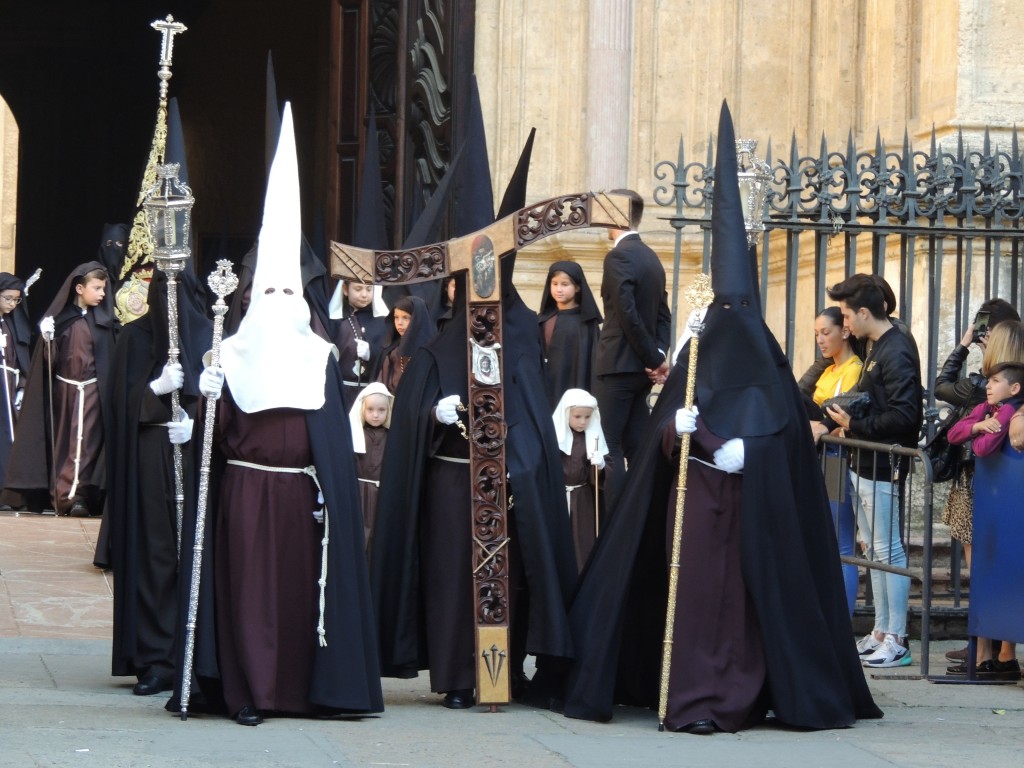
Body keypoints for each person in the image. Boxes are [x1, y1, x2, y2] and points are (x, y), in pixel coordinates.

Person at [558, 102, 881, 733]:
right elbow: (659, 445)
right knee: (696, 602)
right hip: (694, 512)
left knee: (741, 607)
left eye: (739, 304)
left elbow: (787, 442)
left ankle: (743, 690)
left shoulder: (765, 360)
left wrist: (749, 454)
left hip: (753, 519)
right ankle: (685, 691)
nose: (730, 314)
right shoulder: (698, 354)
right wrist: (673, 440)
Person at [195, 104, 382, 725]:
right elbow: (213, 444)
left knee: (302, 599)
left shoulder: (319, 355)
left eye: (288, 294)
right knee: (248, 596)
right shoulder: (228, 353)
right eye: (268, 294)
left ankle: (298, 691)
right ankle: (247, 692)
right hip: (246, 494)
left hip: (302, 501)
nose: (278, 304)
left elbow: (328, 437)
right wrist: (201, 399)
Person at [370, 268, 577, 710]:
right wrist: (431, 413)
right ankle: (458, 677)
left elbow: (535, 420)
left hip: (508, 486)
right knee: (453, 580)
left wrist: (523, 463)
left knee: (511, 580)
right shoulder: (432, 354)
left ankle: (505, 671)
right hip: (451, 483)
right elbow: (408, 422)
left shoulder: (520, 351)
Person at [100, 268, 211, 697]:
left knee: (197, 552)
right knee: (155, 552)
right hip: (150, 452)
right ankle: (156, 657)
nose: (170, 299)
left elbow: (232, 400)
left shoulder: (210, 333)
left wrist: (198, 419)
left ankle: (197, 651)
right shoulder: (134, 338)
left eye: (178, 288)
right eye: (162, 289)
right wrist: (153, 391)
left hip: (195, 453)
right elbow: (116, 405)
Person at [824, 273, 923, 668]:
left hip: (883, 461)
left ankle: (896, 637)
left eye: (847, 314)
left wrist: (853, 425)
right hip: (866, 460)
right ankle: (882, 630)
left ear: (865, 312)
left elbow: (905, 415)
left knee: (887, 550)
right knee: (874, 549)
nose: (844, 323)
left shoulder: (895, 348)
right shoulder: (879, 343)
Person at [932, 298, 1019, 664]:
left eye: (986, 331)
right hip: (989, 481)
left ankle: (986, 650)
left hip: (980, 481)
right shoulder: (998, 386)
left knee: (983, 565)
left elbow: (941, 385)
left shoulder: (990, 385)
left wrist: (965, 343)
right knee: (996, 564)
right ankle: (999, 651)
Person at [5, 262, 116, 516]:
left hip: (93, 392)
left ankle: (80, 496)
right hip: (64, 391)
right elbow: (49, 362)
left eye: (104, 289)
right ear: (79, 288)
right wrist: (47, 341)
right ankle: (60, 494)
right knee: (64, 442)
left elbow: (109, 361)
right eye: (97, 288)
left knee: (88, 444)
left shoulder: (106, 324)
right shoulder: (62, 321)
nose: (102, 294)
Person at [593, 189, 671, 506]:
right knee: (636, 444)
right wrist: (659, 356)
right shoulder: (650, 257)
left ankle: (615, 528)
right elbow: (663, 314)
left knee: (608, 445)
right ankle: (643, 518)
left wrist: (653, 358)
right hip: (640, 369)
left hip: (618, 367)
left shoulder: (618, 256)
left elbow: (627, 315)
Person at [806, 306, 863, 616]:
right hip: (823, 456)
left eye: (825, 332)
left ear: (844, 331)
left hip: (838, 459)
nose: (820, 339)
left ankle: (843, 616)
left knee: (842, 542)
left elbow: (843, 418)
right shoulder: (827, 370)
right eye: (816, 334)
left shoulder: (853, 368)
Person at [552, 389, 607, 572]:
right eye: (577, 416)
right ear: (566, 414)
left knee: (582, 541)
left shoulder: (591, 438)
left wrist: (599, 466)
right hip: (557, 496)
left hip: (582, 498)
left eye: (587, 417)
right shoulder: (554, 438)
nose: (583, 422)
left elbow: (602, 479)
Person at [538, 262, 602, 410]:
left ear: (577, 287)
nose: (558, 289)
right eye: (554, 284)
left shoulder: (586, 323)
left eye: (565, 284)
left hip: (575, 385)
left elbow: (590, 363)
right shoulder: (543, 319)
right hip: (547, 386)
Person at [329, 279, 389, 411]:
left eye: (369, 289)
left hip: (371, 396)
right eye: (358, 289)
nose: (364, 295)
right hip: (341, 392)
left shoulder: (383, 322)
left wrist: (371, 353)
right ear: (345, 289)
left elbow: (388, 356)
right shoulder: (335, 322)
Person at [348, 381, 392, 557]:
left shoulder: (391, 436)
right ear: (362, 409)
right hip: (359, 493)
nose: (375, 415)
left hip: (381, 494)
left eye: (381, 410)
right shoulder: (354, 435)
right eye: (371, 409)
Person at [0, 273, 30, 489]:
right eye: (8, 298)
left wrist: (21, 386)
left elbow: (19, 358)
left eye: (16, 300)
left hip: (8, 384)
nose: (12, 304)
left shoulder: (11, 323)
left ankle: (8, 489)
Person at [374, 295, 435, 393]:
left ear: (418, 319)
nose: (399, 323)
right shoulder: (390, 352)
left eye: (406, 318)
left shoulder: (430, 353)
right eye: (396, 317)